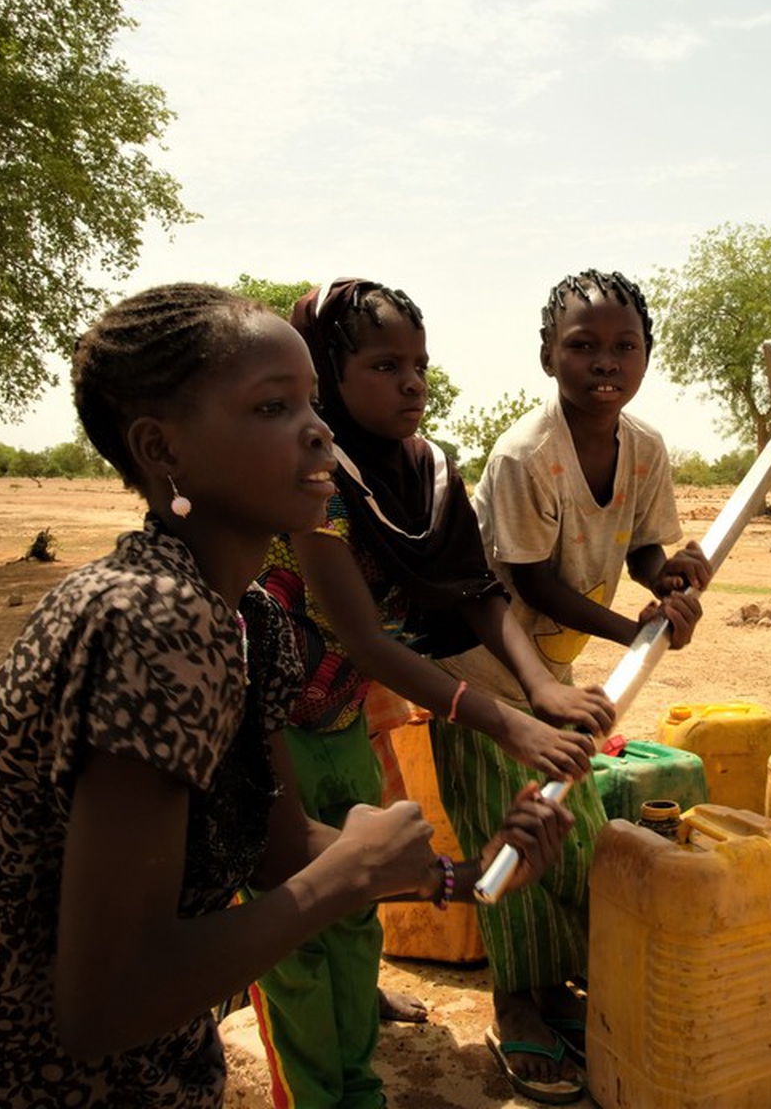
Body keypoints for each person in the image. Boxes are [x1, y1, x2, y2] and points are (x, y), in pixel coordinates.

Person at [0, 284, 572, 1109]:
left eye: (311, 405)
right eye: (273, 408)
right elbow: (109, 1002)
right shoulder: (147, 619)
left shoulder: (254, 627)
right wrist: (348, 876)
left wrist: (472, 874)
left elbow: (282, 852)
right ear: (161, 450)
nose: (317, 435)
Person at [244, 278, 617, 1107]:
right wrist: (511, 729)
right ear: (323, 378)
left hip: (343, 720)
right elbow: (364, 637)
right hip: (273, 732)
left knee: (353, 901)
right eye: (383, 365)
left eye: (419, 363)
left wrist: (538, 689)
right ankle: (315, 1089)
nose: (412, 382)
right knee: (296, 935)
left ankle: (358, 1048)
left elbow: (476, 593)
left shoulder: (427, 474)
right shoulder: (316, 486)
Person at [432, 269, 709, 1104]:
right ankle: (518, 1003)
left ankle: (556, 986)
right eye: (582, 346)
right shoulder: (525, 455)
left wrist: (670, 585)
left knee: (571, 827)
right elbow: (530, 583)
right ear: (547, 355)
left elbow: (643, 552)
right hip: (482, 666)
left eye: (625, 346)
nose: (605, 362)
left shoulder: (647, 449)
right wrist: (635, 631)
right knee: (511, 820)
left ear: (648, 355)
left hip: (551, 672)